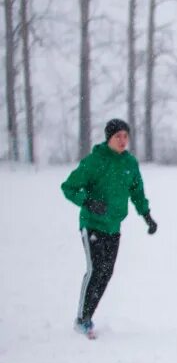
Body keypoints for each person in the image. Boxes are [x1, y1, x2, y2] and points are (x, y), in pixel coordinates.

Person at [61, 119, 157, 339]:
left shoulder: (130, 163)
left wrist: (147, 216)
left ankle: (87, 317)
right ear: (109, 138)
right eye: (118, 136)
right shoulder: (95, 161)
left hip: (114, 226)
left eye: (126, 136)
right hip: (92, 224)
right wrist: (88, 201)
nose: (123, 140)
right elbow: (68, 187)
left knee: (106, 272)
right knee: (95, 270)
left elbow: (137, 191)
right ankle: (82, 319)